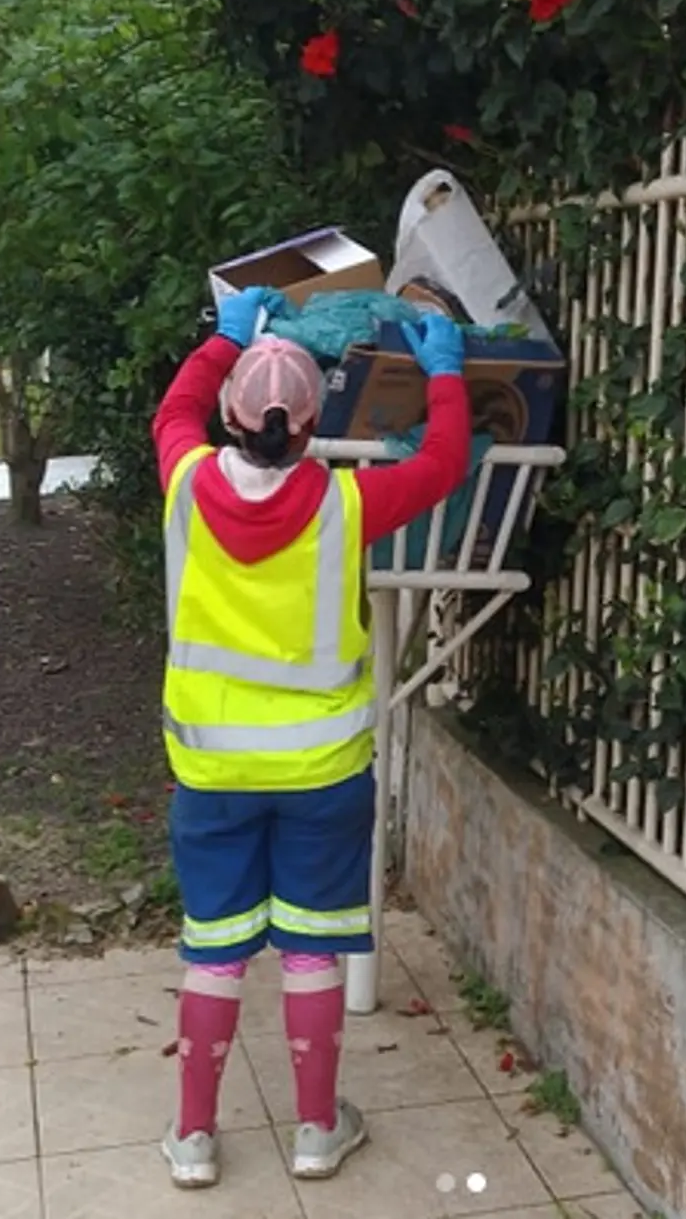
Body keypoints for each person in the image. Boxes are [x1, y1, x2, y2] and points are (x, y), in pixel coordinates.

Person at [151, 286, 470, 1189]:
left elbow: (174, 410)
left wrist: (225, 338)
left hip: (212, 771)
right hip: (325, 772)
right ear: (312, 424)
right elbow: (446, 461)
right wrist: (445, 370)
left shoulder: (186, 481)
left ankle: (194, 1139)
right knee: (310, 946)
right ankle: (318, 1132)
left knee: (215, 947)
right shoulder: (350, 504)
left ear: (231, 416)